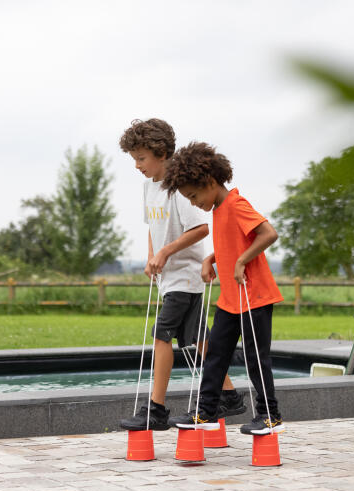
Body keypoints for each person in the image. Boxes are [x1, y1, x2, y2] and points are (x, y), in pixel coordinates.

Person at [117, 119, 245, 431]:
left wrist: (166, 252)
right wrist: (152, 255)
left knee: (162, 335)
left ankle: (156, 408)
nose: (137, 166)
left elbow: (201, 228)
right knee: (199, 339)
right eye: (133, 159)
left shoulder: (177, 189)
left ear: (161, 153)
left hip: (185, 277)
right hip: (169, 278)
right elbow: (152, 227)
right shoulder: (149, 187)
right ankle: (229, 395)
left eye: (141, 158)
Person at [163, 141, 284, 435]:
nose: (193, 203)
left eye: (193, 195)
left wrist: (242, 260)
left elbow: (268, 233)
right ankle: (205, 413)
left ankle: (271, 415)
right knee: (216, 354)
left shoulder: (236, 204)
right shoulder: (219, 209)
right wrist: (210, 258)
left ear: (211, 182)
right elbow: (232, 242)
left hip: (253, 296)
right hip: (231, 299)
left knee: (256, 358)